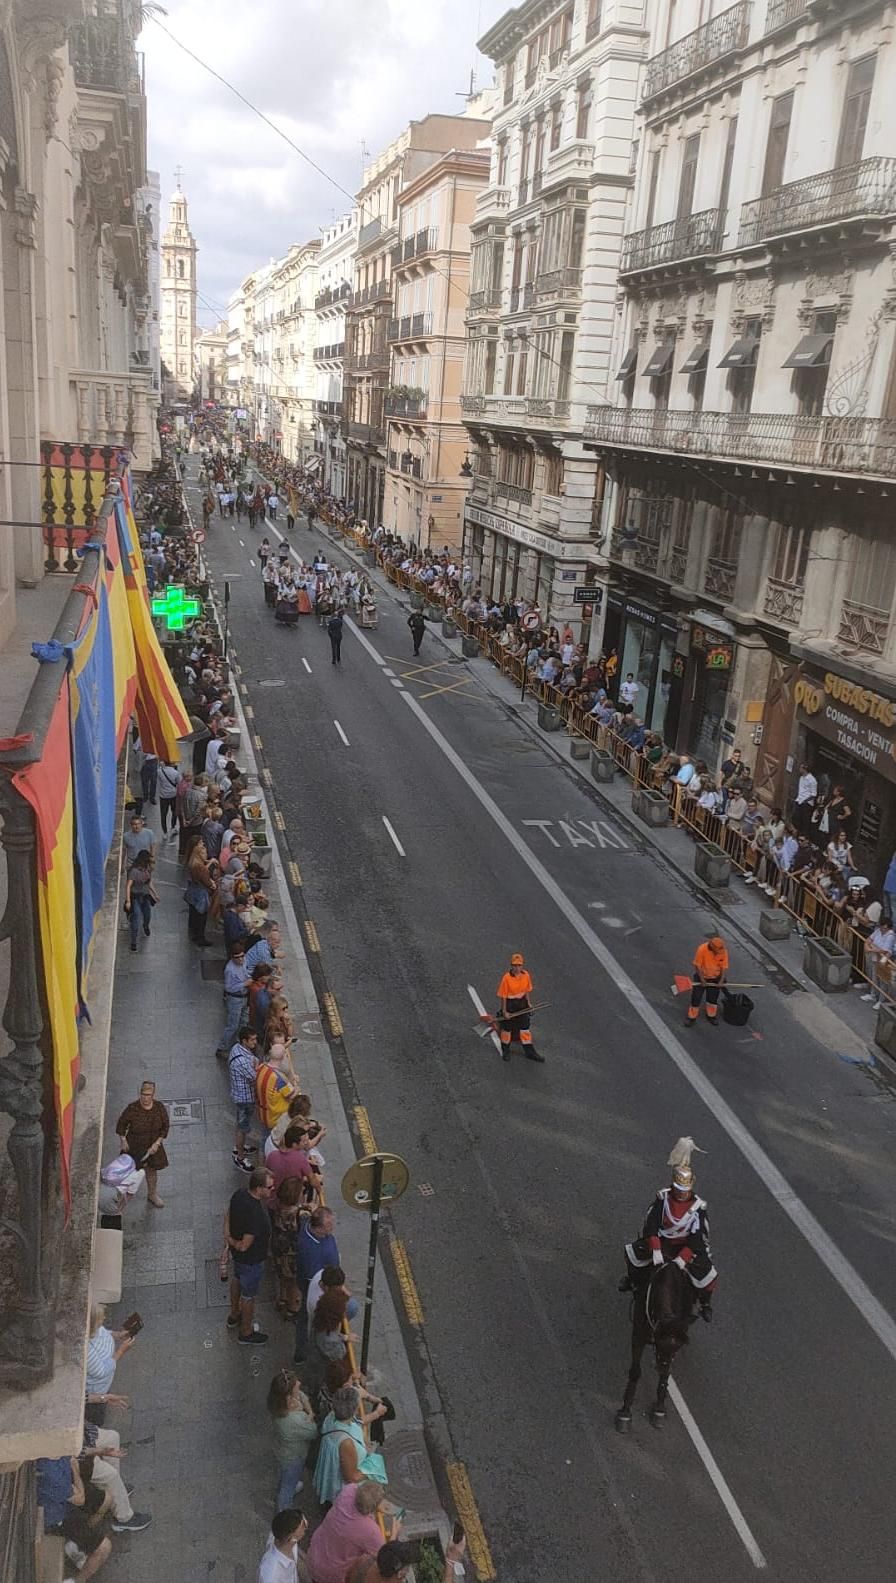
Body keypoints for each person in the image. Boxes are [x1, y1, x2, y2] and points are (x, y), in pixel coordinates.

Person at [619, 1137, 717, 1319]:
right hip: (662, 1243)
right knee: (634, 1253)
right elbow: (652, 1224)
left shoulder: (698, 1208)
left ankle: (705, 1303)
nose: (681, 1192)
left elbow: (697, 1238)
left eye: (685, 1189)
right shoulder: (663, 1199)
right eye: (679, 1188)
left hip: (686, 1248)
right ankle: (632, 1281)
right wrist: (655, 1248)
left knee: (707, 1272)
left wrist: (682, 1258)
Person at [224, 1164, 274, 1345]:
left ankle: (233, 1314)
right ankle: (245, 1332)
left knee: (236, 1280)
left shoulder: (239, 1194)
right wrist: (231, 1241)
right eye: (269, 1187)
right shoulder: (256, 1214)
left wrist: (227, 1235)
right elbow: (245, 1245)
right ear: (259, 1188)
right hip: (251, 1261)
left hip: (239, 1260)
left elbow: (228, 1214)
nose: (272, 1189)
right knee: (249, 1296)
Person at [313, 1385, 384, 1507]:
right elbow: (352, 1477)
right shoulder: (346, 1443)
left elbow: (355, 1421)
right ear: (355, 1410)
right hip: (340, 1488)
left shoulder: (332, 1417)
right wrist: (372, 1466)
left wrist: (375, 1411)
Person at [308, 1481, 390, 1583]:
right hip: (332, 1573)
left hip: (315, 1553)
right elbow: (384, 1555)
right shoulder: (370, 1531)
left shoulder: (347, 1491)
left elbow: (356, 1487)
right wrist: (394, 1532)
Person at [267, 1368, 318, 1513]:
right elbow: (313, 1432)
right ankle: (283, 1512)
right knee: (287, 1485)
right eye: (296, 1385)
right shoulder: (292, 1420)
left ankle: (289, 1486)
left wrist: (308, 1411)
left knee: (285, 1477)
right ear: (289, 1396)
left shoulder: (278, 1404)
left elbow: (302, 1396)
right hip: (293, 1456)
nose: (300, 1384)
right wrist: (310, 1416)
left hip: (282, 1450)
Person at [116, 1082, 169, 1208]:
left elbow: (165, 1127)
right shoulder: (132, 1108)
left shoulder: (159, 1107)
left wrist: (157, 1143)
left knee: (151, 1172)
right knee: (127, 1173)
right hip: (134, 1146)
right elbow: (121, 1124)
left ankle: (152, 1194)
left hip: (152, 1147)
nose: (145, 1098)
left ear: (153, 1095)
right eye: (143, 1095)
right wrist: (123, 1140)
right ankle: (118, 1199)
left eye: (148, 1095)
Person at [496, 952, 543, 1063]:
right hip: (510, 1005)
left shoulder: (526, 975)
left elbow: (526, 991)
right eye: (515, 965)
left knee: (525, 1029)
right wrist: (504, 1011)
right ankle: (505, 1049)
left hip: (522, 1004)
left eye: (519, 965)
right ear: (511, 966)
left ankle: (529, 1052)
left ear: (522, 966)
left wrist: (529, 1004)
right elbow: (503, 996)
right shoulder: (506, 978)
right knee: (507, 1029)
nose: (517, 968)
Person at [229, 1026, 261, 1171]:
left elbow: (255, 1061)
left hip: (241, 1095)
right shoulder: (242, 1061)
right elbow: (255, 1077)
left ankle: (240, 1146)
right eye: (252, 1040)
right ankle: (240, 1157)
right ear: (244, 1041)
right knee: (242, 1128)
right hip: (245, 1099)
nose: (255, 1042)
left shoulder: (237, 1049)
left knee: (242, 1125)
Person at [258, 1506, 311, 1583]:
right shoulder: (270, 1575)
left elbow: (295, 1549)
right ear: (290, 1538)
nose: (306, 1525)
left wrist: (304, 1557)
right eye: (303, 1526)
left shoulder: (280, 1533)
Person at [685, 934, 728, 1027]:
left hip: (715, 978)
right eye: (718, 950)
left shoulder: (723, 951)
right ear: (712, 947)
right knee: (696, 997)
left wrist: (721, 980)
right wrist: (702, 980)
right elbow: (698, 966)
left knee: (712, 998)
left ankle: (711, 1015)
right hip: (702, 977)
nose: (720, 952)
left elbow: (723, 967)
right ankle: (691, 1017)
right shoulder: (702, 949)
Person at [123, 855, 158, 952]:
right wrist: (128, 900)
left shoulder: (148, 870)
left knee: (148, 915)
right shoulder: (134, 871)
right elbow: (128, 886)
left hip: (145, 896)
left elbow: (149, 882)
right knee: (136, 918)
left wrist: (155, 894)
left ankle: (146, 925)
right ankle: (133, 941)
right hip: (136, 897)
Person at [863, 921, 896, 1009]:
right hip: (875, 958)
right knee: (874, 977)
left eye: (884, 928)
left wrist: (871, 949)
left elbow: (884, 950)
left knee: (883, 981)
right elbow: (869, 939)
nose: (882, 930)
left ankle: (881, 1001)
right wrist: (867, 945)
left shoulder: (891, 936)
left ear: (889, 928)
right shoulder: (878, 930)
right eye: (881, 927)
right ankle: (873, 995)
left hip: (884, 961)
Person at [157, 758, 180, 835]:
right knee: (174, 812)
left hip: (163, 796)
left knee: (163, 814)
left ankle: (165, 832)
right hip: (173, 795)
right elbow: (178, 783)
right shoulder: (176, 773)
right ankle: (173, 827)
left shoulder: (160, 771)